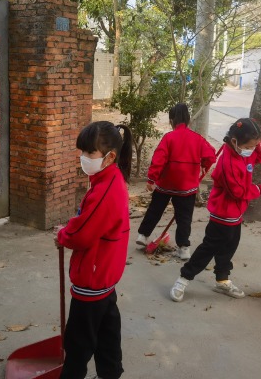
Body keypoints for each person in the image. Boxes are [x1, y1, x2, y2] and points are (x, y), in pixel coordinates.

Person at [55, 121, 132, 379]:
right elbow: (88, 221)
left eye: (90, 154)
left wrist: (64, 235)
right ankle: (110, 373)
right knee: (107, 331)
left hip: (92, 278)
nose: (83, 158)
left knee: (78, 342)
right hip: (105, 278)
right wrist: (70, 230)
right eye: (82, 152)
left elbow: (83, 234)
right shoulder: (109, 178)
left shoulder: (105, 190)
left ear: (110, 156)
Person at [170, 118, 261, 302]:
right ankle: (183, 278)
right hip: (222, 214)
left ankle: (222, 279)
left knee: (229, 248)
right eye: (250, 146)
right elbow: (238, 192)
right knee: (208, 249)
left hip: (236, 215)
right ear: (235, 142)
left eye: (254, 145)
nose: (252, 149)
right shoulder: (228, 163)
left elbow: (259, 156)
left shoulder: (244, 152)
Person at [136, 104, 217, 260]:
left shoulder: (169, 138)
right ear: (187, 119)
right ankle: (183, 247)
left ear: (172, 120)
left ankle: (143, 235)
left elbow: (158, 159)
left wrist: (152, 179)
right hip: (187, 188)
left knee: (155, 210)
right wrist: (204, 166)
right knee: (184, 218)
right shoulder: (197, 138)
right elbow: (211, 156)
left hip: (166, 184)